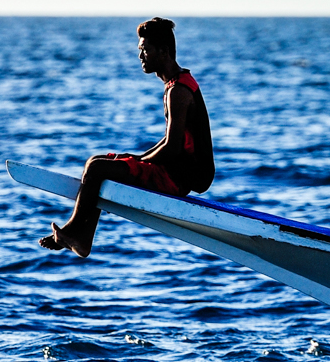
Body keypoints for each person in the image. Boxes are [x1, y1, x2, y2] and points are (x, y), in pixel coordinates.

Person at [40, 17, 214, 258]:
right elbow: (169, 142)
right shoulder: (177, 84)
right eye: (139, 49)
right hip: (177, 172)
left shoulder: (179, 91)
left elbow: (173, 147)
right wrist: (136, 158)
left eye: (145, 49)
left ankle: (73, 231)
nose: (141, 55)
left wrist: (140, 161)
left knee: (99, 168)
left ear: (163, 52)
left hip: (178, 178)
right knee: (97, 161)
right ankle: (83, 237)